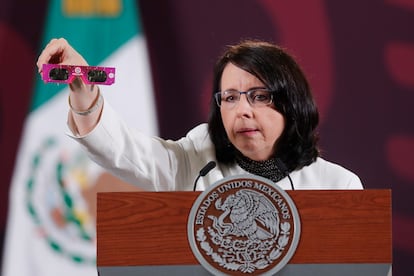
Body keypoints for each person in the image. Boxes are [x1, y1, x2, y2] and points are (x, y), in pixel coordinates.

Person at [36, 38, 363, 191]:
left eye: (259, 96)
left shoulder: (338, 186)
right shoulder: (194, 161)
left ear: (293, 103)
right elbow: (118, 150)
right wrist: (83, 88)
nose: (242, 111)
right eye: (230, 97)